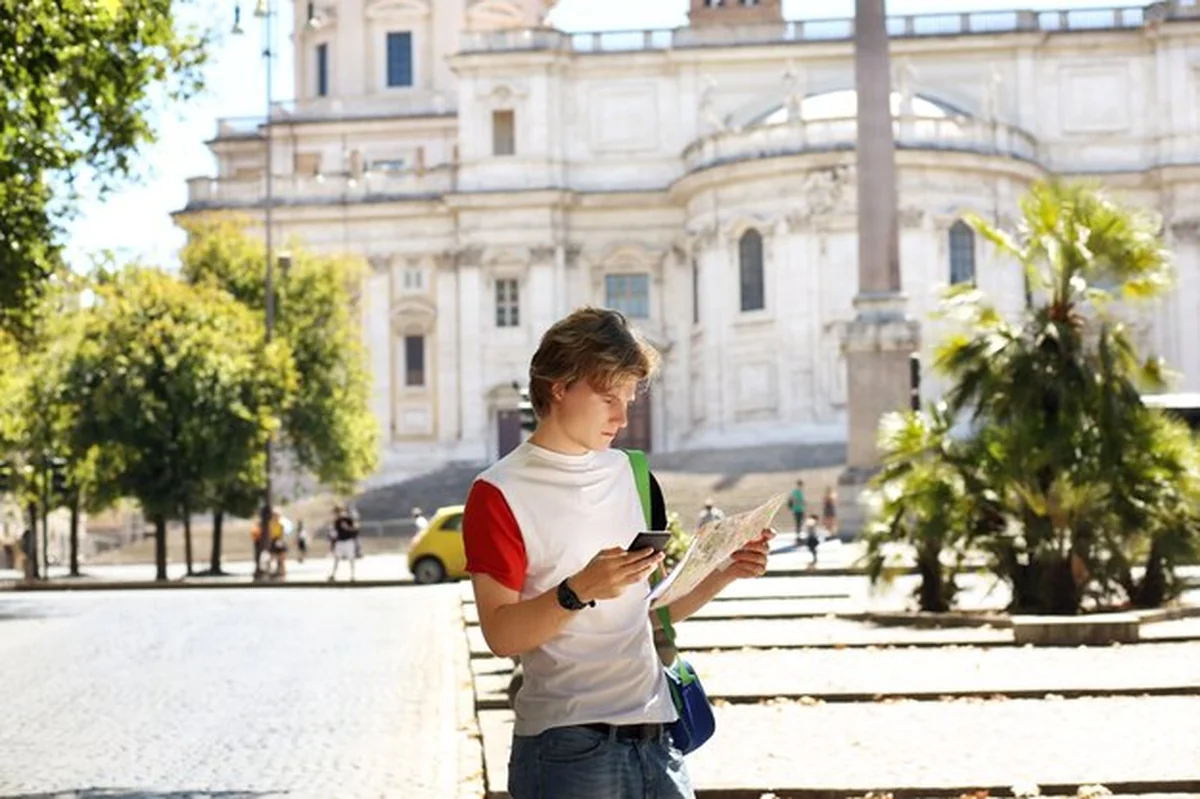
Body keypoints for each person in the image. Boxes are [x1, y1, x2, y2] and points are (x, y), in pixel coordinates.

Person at [462, 307, 773, 799]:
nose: (623, 416)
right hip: (567, 750)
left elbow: (648, 616)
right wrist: (577, 590)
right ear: (560, 385)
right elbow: (501, 634)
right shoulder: (497, 492)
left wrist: (722, 572)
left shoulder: (635, 475)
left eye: (628, 398)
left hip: (659, 739)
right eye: (609, 397)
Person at [328, 504, 360, 582]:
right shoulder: (336, 521)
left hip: (348, 541)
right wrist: (332, 542)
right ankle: (333, 574)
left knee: (351, 558)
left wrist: (347, 528)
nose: (336, 514)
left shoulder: (348, 519)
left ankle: (353, 575)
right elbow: (334, 534)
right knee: (337, 558)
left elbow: (356, 529)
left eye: (337, 512)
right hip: (340, 542)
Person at [788, 479, 806, 544]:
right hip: (797, 509)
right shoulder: (796, 492)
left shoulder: (798, 492)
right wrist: (801, 502)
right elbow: (795, 500)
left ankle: (799, 536)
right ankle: (798, 537)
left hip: (799, 509)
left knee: (799, 523)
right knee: (798, 523)